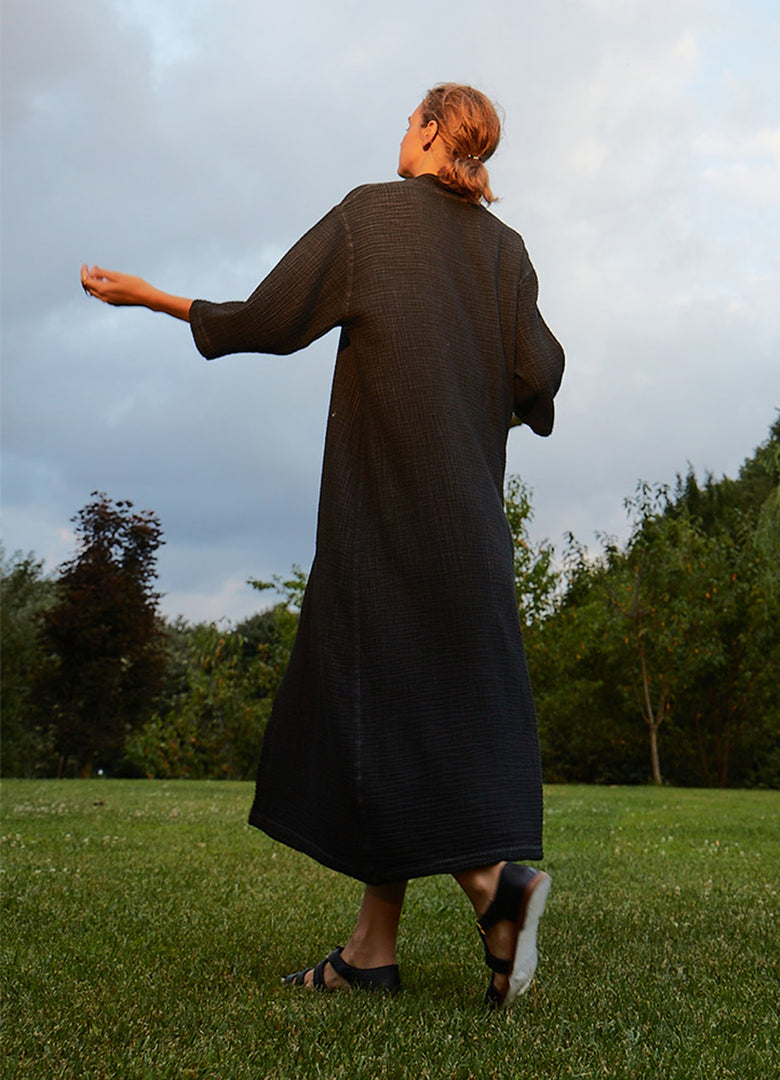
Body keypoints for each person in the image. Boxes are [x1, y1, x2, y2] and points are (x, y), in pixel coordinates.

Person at [81, 83, 564, 1008]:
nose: (399, 136)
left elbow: (269, 317)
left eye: (406, 122)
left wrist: (152, 299)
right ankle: (369, 952)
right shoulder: (507, 252)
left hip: (386, 516)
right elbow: (540, 373)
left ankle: (493, 886)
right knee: (395, 707)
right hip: (471, 532)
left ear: (429, 131)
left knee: (369, 706)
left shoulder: (372, 218)